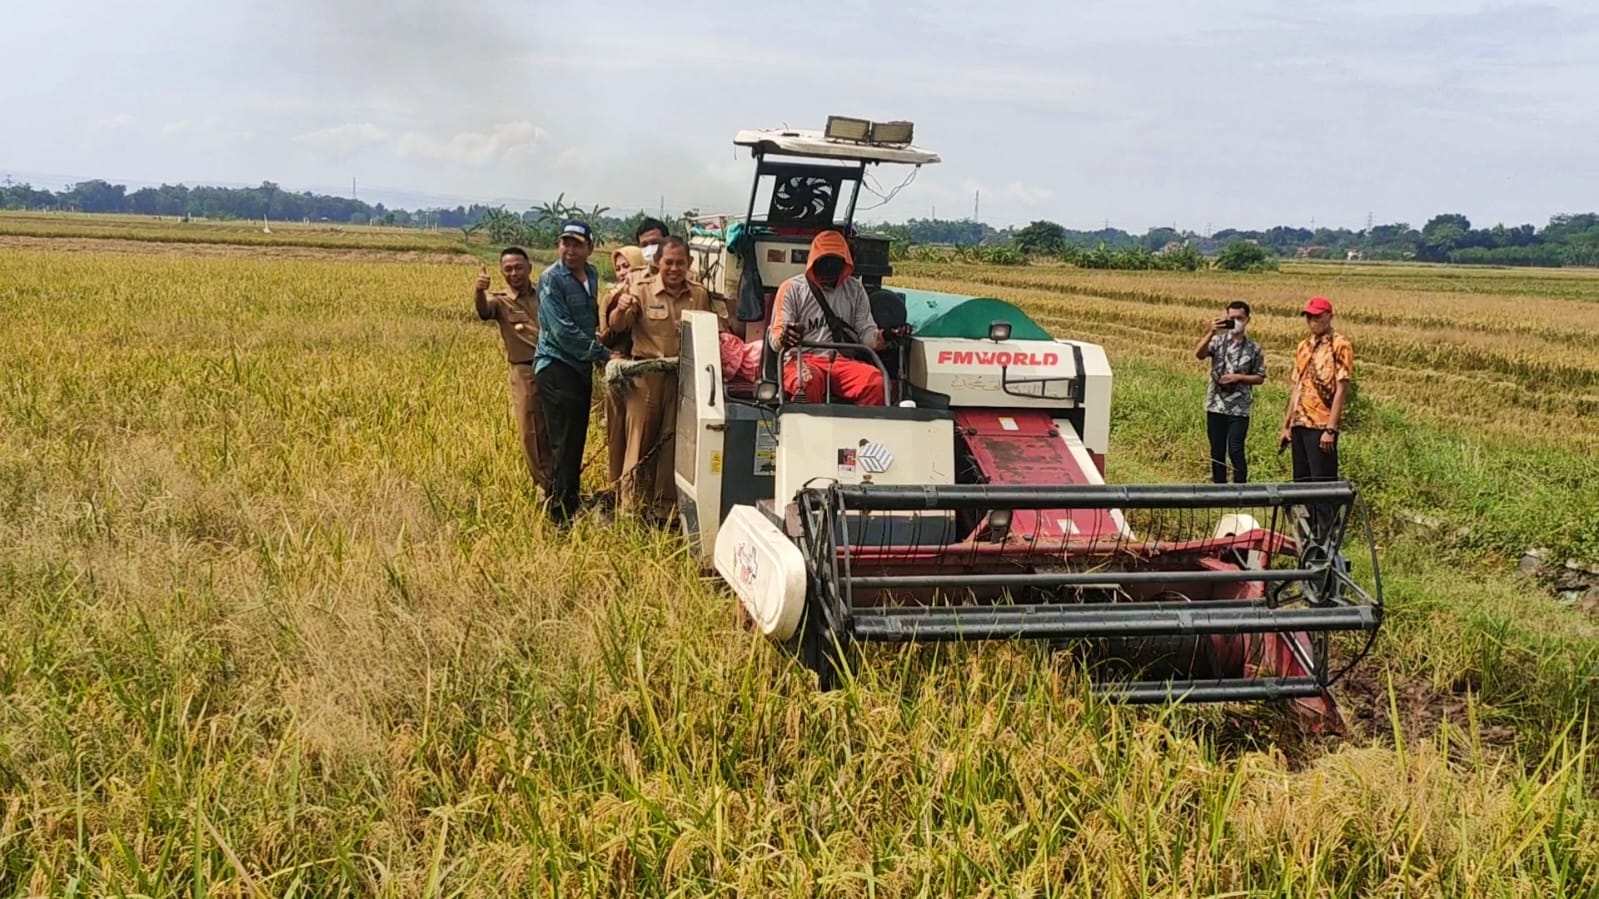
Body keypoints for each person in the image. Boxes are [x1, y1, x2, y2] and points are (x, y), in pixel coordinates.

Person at [604, 237, 714, 523]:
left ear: (689, 264)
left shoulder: (699, 295)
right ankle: (630, 506)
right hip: (646, 377)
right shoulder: (640, 290)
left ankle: (664, 509)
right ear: (657, 263)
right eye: (668, 262)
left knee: (672, 444)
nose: (674, 268)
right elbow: (617, 326)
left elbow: (708, 331)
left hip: (681, 380)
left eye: (680, 263)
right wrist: (621, 307)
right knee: (639, 440)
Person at [766, 230, 912, 405]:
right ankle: (810, 431)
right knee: (806, 383)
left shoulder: (855, 290)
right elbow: (775, 341)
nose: (828, 272)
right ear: (813, 263)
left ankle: (860, 431)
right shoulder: (791, 289)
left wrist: (887, 336)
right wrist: (786, 337)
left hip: (841, 361)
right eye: (823, 265)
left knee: (876, 383)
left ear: (845, 265)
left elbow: (866, 336)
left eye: (833, 266)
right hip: (801, 360)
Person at [534, 220, 611, 527]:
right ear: (558, 245)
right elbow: (561, 331)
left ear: (590, 248)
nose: (570, 249)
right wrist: (603, 354)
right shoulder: (551, 279)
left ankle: (568, 499)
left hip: (578, 367)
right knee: (564, 441)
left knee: (575, 439)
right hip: (556, 365)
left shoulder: (591, 274)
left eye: (577, 244)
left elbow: (592, 319)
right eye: (565, 243)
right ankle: (559, 514)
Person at [473, 247, 553, 496]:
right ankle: (545, 487)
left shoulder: (547, 295)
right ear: (501, 272)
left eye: (519, 267)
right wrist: (478, 290)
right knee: (532, 431)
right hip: (525, 372)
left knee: (556, 428)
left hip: (556, 369)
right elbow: (484, 311)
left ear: (530, 268)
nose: (514, 273)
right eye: (508, 269)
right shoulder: (499, 301)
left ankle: (563, 482)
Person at [1280, 295, 1354, 539]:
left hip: (1321, 425)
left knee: (1323, 488)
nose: (1312, 321)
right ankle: (1306, 538)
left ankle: (1326, 541)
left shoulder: (1339, 345)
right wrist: (1287, 425)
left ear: (1329, 316)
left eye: (1317, 316)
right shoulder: (1303, 346)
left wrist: (1331, 428)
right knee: (1302, 486)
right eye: (1309, 316)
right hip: (1301, 422)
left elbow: (1342, 388)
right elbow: (1297, 387)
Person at [1193, 300, 1266, 483]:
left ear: (1248, 319)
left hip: (1239, 407)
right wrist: (1211, 332)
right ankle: (1219, 489)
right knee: (1217, 450)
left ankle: (1240, 489)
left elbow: (1260, 377)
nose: (1236, 321)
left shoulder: (1254, 348)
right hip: (1215, 404)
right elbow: (1199, 354)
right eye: (1231, 318)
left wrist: (1238, 378)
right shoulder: (1218, 341)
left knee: (1235, 449)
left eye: (1239, 318)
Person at [599, 245, 648, 495]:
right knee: (616, 433)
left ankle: (636, 490)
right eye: (617, 268)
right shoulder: (611, 297)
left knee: (638, 435)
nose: (621, 273)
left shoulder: (649, 294)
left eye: (626, 266)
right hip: (619, 370)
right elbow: (605, 337)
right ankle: (615, 486)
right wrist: (619, 309)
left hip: (644, 371)